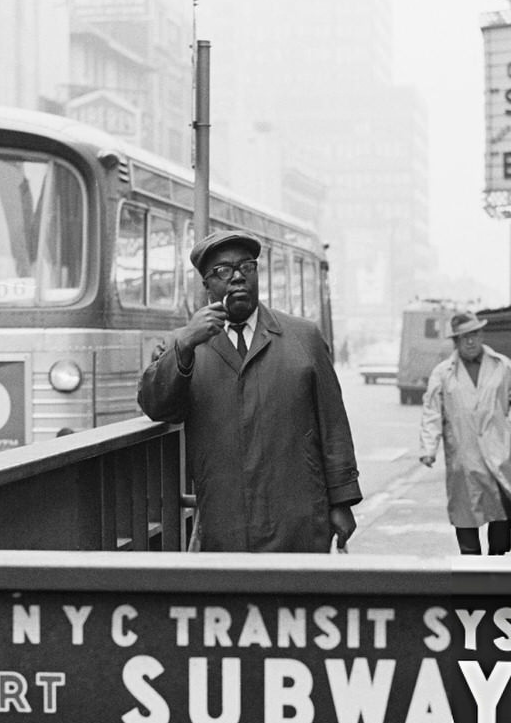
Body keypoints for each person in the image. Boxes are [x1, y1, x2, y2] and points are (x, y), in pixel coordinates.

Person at [138, 230, 360, 552]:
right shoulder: (183, 344)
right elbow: (156, 406)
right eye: (223, 271)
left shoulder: (303, 337)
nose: (238, 277)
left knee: (297, 600)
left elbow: (333, 423)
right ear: (206, 285)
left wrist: (342, 500)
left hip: (298, 517)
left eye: (247, 267)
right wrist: (185, 344)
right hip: (227, 520)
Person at [419, 311, 511, 555]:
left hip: (498, 456)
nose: (470, 341)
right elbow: (432, 412)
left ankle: (497, 569)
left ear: (481, 335)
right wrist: (428, 449)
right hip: (464, 459)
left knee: (501, 524)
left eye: (474, 335)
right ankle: (473, 576)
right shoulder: (443, 373)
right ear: (456, 341)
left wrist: (509, 427)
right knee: (466, 522)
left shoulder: (502, 366)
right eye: (464, 337)